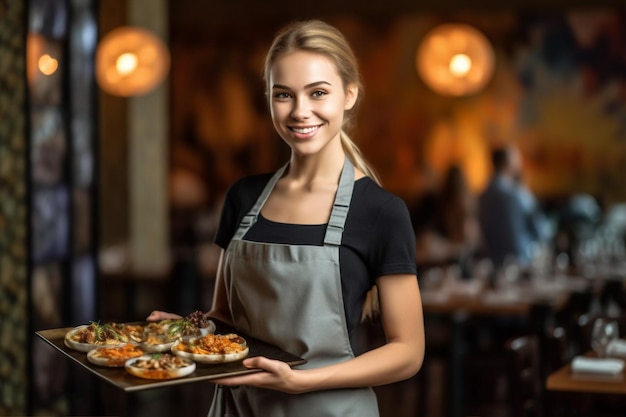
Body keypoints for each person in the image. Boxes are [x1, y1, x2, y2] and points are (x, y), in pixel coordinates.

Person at [148, 19, 424, 417]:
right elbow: (226, 319)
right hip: (238, 408)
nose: (300, 111)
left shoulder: (380, 212)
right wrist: (186, 331)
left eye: (318, 93)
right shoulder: (243, 197)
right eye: (284, 95)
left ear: (349, 95)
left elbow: (408, 352)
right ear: (268, 98)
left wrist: (301, 381)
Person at [478, 145, 549, 274]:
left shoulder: (483, 195)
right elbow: (541, 230)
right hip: (520, 263)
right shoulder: (518, 194)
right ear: (509, 163)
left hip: (491, 265)